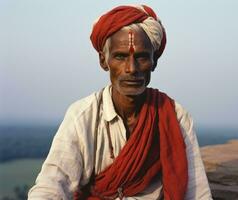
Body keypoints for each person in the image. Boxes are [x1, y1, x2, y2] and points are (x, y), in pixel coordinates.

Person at [28, 4, 212, 200]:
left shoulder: (174, 116)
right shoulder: (82, 116)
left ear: (154, 62)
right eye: (120, 57)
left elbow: (196, 191)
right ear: (103, 61)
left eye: (141, 57)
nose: (132, 68)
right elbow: (51, 185)